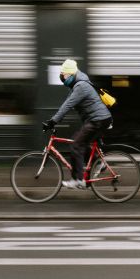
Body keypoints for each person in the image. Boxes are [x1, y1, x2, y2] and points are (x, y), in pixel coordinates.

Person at [45, 59, 112, 189]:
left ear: (70, 74)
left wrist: (53, 121)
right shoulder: (78, 84)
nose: (62, 77)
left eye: (63, 75)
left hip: (98, 120)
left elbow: (67, 105)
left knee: (76, 145)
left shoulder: (81, 86)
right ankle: (98, 163)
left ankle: (78, 180)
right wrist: (55, 119)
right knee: (80, 141)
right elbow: (67, 103)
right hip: (98, 119)